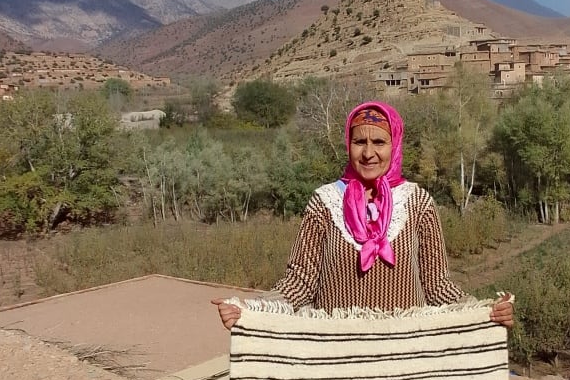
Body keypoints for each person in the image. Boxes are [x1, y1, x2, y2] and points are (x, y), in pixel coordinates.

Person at [215, 99, 513, 330]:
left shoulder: (418, 203)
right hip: (337, 354)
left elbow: (437, 286)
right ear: (349, 145)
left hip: (403, 353)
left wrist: (485, 311)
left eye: (379, 142)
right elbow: (300, 282)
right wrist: (251, 310)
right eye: (360, 142)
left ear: (394, 145)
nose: (368, 153)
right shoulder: (325, 202)